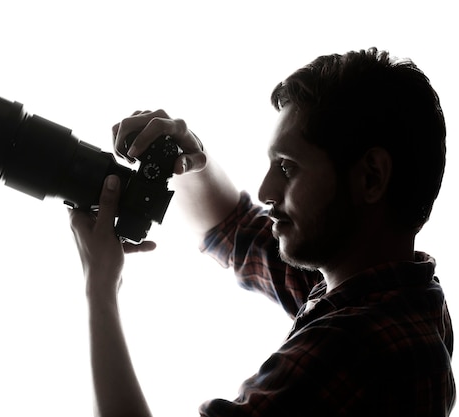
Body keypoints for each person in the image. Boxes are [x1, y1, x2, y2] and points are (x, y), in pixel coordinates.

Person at [68, 47, 455, 416]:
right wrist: (185, 158)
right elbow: (236, 232)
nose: (266, 191)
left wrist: (99, 288)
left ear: (371, 177)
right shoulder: (402, 296)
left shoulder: (352, 348)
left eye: (287, 168)